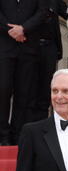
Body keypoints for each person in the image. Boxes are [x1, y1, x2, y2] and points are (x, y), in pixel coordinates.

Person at [0, 0, 45, 146]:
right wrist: (12, 31)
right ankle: (2, 136)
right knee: (3, 91)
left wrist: (24, 28)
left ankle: (17, 136)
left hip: (29, 47)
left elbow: (42, 12)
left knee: (24, 94)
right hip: (4, 47)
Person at [30, 0, 68, 123]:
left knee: (45, 93)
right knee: (27, 91)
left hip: (50, 48)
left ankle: (40, 129)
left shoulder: (55, 1)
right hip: (29, 48)